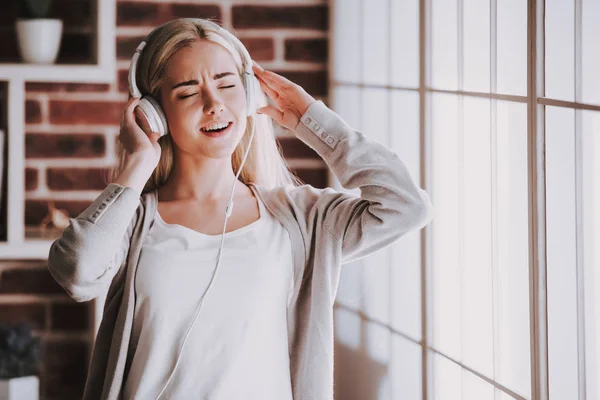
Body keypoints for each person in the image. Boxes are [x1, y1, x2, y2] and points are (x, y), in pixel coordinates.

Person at [47, 17, 433, 400]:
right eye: (187, 92)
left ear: (248, 95)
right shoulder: (132, 223)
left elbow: (406, 206)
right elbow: (78, 272)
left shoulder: (300, 219)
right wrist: (136, 165)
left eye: (227, 85)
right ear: (156, 114)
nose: (214, 104)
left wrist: (312, 122)